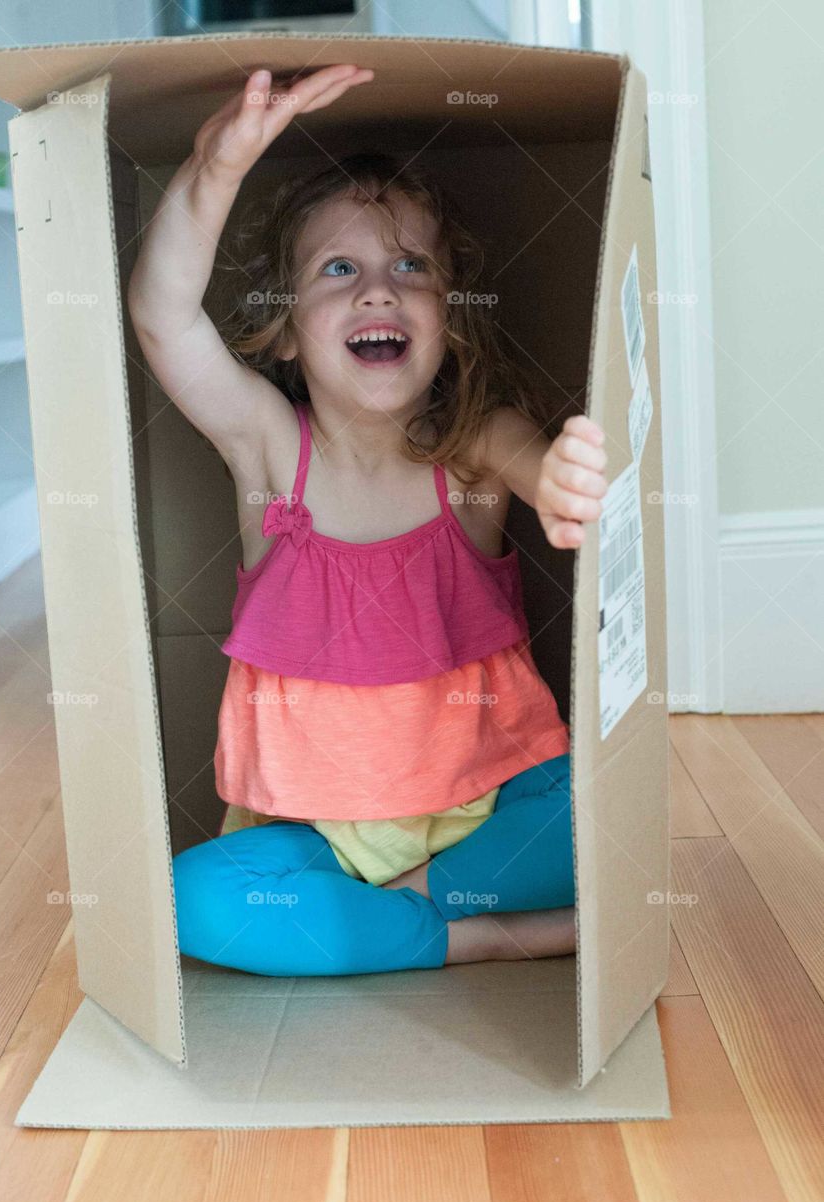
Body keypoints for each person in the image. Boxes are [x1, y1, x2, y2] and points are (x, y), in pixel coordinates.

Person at [127, 64, 608, 978]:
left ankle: (411, 912)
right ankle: (477, 937)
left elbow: (543, 472)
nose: (378, 291)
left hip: (488, 810)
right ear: (282, 330)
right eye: (338, 269)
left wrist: (570, 482)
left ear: (450, 319)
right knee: (194, 900)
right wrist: (214, 168)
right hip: (320, 836)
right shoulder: (269, 451)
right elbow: (162, 316)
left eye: (410, 267)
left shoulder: (471, 444)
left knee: (605, 809)